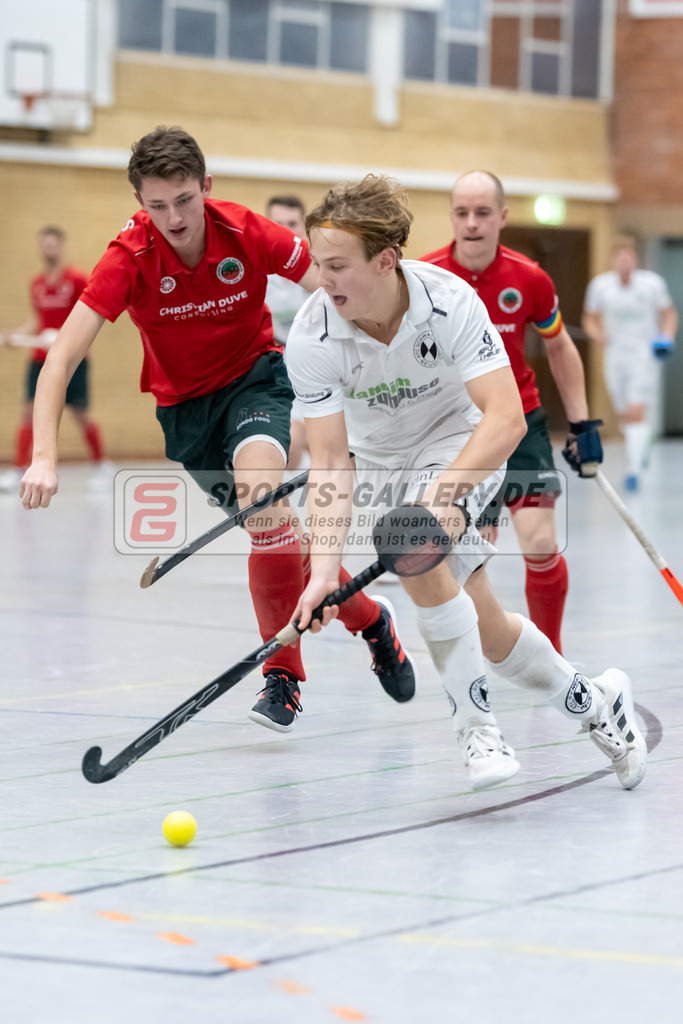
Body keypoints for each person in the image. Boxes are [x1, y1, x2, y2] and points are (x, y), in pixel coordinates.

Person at [19, 126, 415, 732]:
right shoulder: (128, 259)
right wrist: (45, 456)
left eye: (184, 199)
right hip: (186, 416)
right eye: (158, 206)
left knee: (262, 505)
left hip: (256, 383)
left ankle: (282, 676)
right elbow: (62, 357)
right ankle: (371, 620)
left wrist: (384, 370)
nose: (175, 218)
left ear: (206, 185)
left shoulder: (247, 232)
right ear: (140, 202)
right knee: (281, 538)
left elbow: (333, 285)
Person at [286, 173, 646, 792]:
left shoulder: (448, 300)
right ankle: (596, 702)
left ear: (385, 261)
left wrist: (440, 494)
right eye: (319, 264)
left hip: (462, 441)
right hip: (382, 463)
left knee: (416, 548)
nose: (322, 279)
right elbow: (331, 463)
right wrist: (323, 571)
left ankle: (476, 729)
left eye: (337, 266)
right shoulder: (312, 334)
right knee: (486, 624)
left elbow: (506, 417)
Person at [420, 170, 603, 655]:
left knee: (540, 543)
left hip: (520, 422)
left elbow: (559, 346)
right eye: (462, 213)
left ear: (502, 217)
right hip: (459, 432)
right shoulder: (426, 279)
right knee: (471, 559)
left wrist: (582, 423)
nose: (472, 223)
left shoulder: (530, 278)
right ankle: (483, 657)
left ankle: (552, 657)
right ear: (451, 216)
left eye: (483, 213)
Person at [0, 226, 111, 493]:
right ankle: (19, 469)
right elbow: (38, 321)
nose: (48, 250)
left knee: (81, 414)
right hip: (40, 360)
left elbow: (88, 317)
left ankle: (101, 465)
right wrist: (15, 335)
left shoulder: (77, 280)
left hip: (72, 359)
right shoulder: (37, 284)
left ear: (61, 246)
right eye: (44, 245)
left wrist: (61, 335)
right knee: (29, 411)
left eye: (53, 245)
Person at [582, 237, 678, 492]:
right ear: (613, 261)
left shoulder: (652, 284)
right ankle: (642, 443)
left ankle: (633, 470)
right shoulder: (600, 286)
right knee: (625, 415)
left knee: (636, 411)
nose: (625, 264)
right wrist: (597, 335)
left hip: (643, 355)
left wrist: (666, 338)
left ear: (635, 260)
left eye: (629, 258)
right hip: (615, 355)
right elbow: (589, 318)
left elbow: (669, 314)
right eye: (620, 259)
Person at [264, 195, 310, 470]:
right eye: (277, 224)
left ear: (304, 227)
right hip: (278, 368)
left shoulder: (319, 271)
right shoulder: (256, 275)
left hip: (316, 364)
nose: (285, 232)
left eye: (292, 224)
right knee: (289, 452)